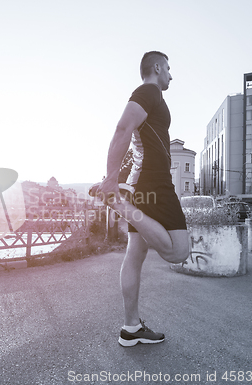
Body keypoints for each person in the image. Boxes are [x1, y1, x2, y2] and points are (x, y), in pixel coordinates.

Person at [95, 51, 189, 347]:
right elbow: (123, 129)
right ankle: (120, 205)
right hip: (154, 182)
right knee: (178, 252)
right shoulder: (148, 91)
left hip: (144, 179)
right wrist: (111, 179)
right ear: (157, 67)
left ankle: (131, 327)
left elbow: (136, 138)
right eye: (169, 69)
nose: (171, 75)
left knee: (135, 253)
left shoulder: (152, 96)